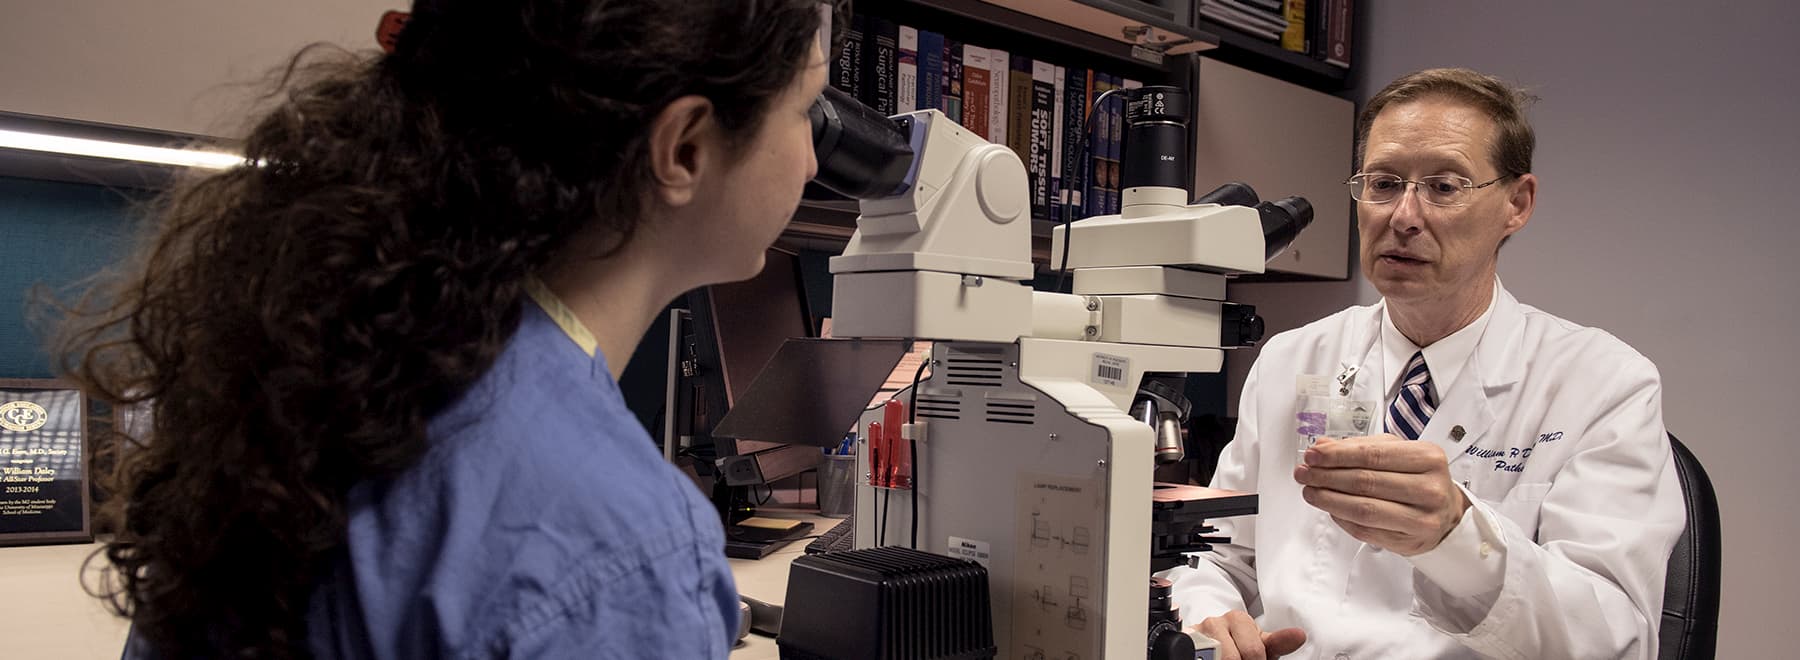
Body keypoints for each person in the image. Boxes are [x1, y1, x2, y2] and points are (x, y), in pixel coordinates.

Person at [54, 0, 837, 657]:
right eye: (806, 111)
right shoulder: (618, 540)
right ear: (686, 148)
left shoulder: (326, 372)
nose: (811, 162)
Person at [1161, 68, 1685, 660]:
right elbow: (1219, 552)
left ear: (1517, 203)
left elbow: (1615, 635)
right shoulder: (1292, 358)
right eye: (1384, 183)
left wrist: (1460, 539)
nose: (1403, 215)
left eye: (1444, 186)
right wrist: (1210, 614)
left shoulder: (1603, 383)